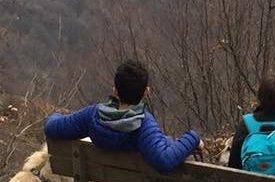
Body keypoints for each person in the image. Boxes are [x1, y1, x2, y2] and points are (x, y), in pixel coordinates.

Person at [44, 60, 202, 173]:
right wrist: (193, 137)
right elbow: (164, 161)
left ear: (115, 91)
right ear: (146, 92)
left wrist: (56, 115)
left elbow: (52, 127)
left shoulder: (93, 115)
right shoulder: (143, 124)